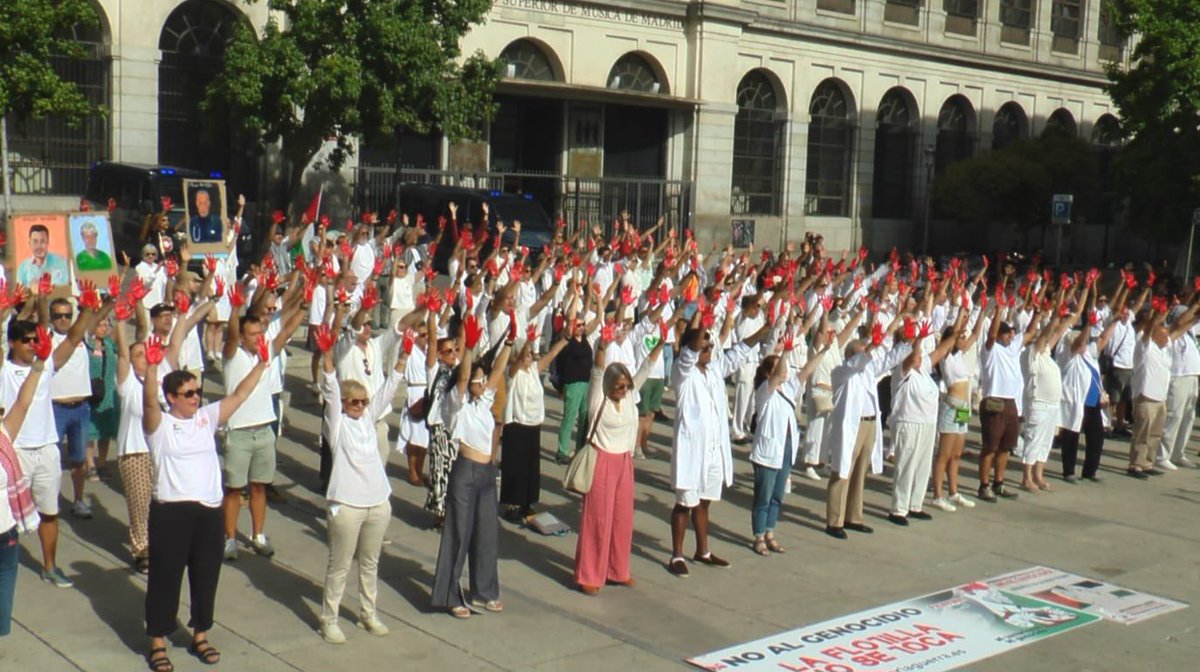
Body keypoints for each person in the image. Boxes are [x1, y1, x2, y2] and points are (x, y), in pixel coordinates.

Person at [142, 334, 269, 671]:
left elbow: (240, 394)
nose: (196, 398)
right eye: (188, 394)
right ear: (172, 398)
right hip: (171, 511)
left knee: (205, 576)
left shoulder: (206, 418)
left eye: (198, 392)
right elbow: (149, 405)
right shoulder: (160, 426)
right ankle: (157, 640)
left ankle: (200, 634)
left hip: (208, 512)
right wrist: (153, 369)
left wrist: (262, 363)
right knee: (165, 578)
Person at [315, 324, 412, 644]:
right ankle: (329, 618)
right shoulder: (337, 425)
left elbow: (387, 390)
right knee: (339, 565)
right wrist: (328, 354)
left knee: (370, 564)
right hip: (346, 504)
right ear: (343, 403)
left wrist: (404, 357)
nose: (359, 406)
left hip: (377, 501)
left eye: (362, 402)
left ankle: (368, 613)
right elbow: (330, 388)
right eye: (353, 402)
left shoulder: (369, 419)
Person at [0, 299, 102, 588]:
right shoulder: (3, 370)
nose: (33, 344)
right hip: (13, 451)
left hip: (46, 449)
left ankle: (49, 566)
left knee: (49, 512)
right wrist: (5, 311)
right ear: (12, 343)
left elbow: (72, 339)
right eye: (27, 340)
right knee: (5, 520)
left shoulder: (45, 366)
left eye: (36, 339)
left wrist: (87, 310)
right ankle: (5, 570)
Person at [667, 309, 769, 576]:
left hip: (713, 448)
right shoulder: (682, 371)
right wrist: (703, 319)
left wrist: (764, 330)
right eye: (704, 346)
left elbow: (738, 353)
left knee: (705, 501)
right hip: (692, 451)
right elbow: (689, 352)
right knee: (684, 503)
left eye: (711, 346)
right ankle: (676, 555)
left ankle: (703, 551)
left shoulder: (713, 369)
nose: (709, 350)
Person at [430, 316, 513, 618]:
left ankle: (485, 591)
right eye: (478, 379)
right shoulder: (458, 402)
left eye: (482, 379)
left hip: (487, 474)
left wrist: (512, 341)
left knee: (487, 534)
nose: (481, 382)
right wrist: (468, 350)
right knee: (459, 533)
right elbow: (463, 378)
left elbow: (499, 370)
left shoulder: (485, 400)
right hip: (465, 471)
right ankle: (451, 594)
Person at [574, 322, 663, 594]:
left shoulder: (629, 397)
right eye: (620, 385)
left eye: (626, 385)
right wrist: (602, 344)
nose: (624, 389)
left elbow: (646, 367)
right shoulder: (598, 399)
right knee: (597, 520)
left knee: (622, 519)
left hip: (624, 462)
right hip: (602, 461)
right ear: (610, 385)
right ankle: (589, 574)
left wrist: (661, 341)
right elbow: (598, 370)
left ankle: (617, 569)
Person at [220, 287, 305, 560]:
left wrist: (308, 303)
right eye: (253, 335)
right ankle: (230, 538)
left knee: (259, 486)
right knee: (234, 489)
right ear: (243, 336)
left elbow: (285, 332)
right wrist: (234, 310)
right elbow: (231, 336)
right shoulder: (233, 355)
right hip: (239, 432)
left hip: (264, 429)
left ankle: (258, 534)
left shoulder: (267, 352)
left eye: (260, 334)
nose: (259, 338)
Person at [822, 315, 903, 540]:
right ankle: (834, 520)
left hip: (869, 425)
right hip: (852, 427)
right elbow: (857, 363)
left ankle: (854, 517)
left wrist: (910, 342)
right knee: (843, 470)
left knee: (860, 472)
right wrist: (871, 347)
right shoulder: (841, 373)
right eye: (862, 353)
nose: (868, 357)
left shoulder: (867, 372)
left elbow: (889, 359)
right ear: (851, 356)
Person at [748, 333, 822, 555]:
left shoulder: (788, 390)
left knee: (777, 495)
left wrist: (824, 351)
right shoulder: (764, 392)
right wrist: (785, 352)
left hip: (786, 448)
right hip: (768, 451)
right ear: (770, 373)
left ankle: (770, 532)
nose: (786, 372)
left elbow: (807, 371)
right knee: (763, 496)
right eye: (781, 368)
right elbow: (779, 373)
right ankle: (759, 536)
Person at [0, 332, 52, 637]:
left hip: (6, 537)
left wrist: (40, 363)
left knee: (3, 607)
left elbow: (24, 400)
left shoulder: (4, 437)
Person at [500, 329, 568, 522]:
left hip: (533, 424)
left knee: (530, 467)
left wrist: (566, 338)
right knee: (515, 466)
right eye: (527, 354)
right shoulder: (512, 373)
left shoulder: (532, 370)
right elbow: (518, 361)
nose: (529, 357)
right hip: (517, 425)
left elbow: (552, 353)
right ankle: (512, 503)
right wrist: (528, 342)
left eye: (531, 354)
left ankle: (527, 503)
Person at [929, 298, 985, 512]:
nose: (963, 339)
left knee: (957, 454)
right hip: (951, 406)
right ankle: (938, 494)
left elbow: (976, 334)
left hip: (963, 408)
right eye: (959, 336)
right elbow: (955, 335)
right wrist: (962, 310)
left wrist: (984, 309)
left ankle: (953, 491)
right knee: (944, 453)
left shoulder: (960, 355)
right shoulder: (946, 357)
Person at [84, 316, 118, 483]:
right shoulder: (87, 345)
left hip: (108, 394)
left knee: (105, 432)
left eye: (107, 325)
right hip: (91, 393)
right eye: (100, 324)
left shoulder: (110, 344)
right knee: (90, 432)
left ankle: (102, 463)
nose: (104, 328)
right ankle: (90, 464)